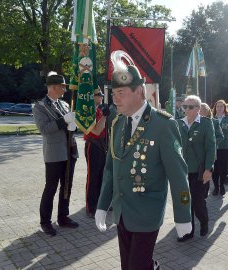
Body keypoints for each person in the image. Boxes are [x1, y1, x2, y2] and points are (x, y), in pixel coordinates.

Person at [94, 51, 192, 270]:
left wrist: (183, 216)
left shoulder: (163, 125)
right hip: (122, 212)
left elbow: (178, 175)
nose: (115, 98)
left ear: (139, 91)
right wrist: (102, 205)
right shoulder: (117, 124)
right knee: (128, 266)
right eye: (113, 93)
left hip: (147, 212)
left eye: (121, 92)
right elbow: (111, 169)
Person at [33, 71, 79, 236]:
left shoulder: (65, 105)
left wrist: (74, 125)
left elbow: (71, 124)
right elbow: (44, 129)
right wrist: (63, 121)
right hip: (54, 153)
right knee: (51, 188)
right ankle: (45, 222)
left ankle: (63, 217)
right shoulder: (40, 106)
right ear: (52, 87)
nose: (64, 90)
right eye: (62, 87)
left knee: (67, 185)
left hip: (70, 150)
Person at [176, 95, 216, 242]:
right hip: (182, 171)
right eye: (184, 107)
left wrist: (208, 169)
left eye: (190, 107)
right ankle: (188, 231)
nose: (186, 109)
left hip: (199, 171)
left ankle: (204, 221)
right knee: (185, 201)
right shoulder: (179, 123)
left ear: (198, 109)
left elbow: (211, 148)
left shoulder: (205, 123)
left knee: (198, 201)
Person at [84, 87, 110, 218]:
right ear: (91, 96)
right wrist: (105, 116)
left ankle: (101, 204)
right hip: (92, 145)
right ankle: (91, 207)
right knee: (93, 177)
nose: (100, 96)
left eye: (101, 94)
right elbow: (96, 131)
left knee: (102, 176)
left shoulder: (100, 109)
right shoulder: (87, 111)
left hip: (102, 145)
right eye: (97, 94)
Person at [200, 103, 224, 198]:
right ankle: (210, 189)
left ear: (206, 111)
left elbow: (220, 136)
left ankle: (219, 186)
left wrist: (211, 144)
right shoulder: (194, 122)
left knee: (213, 170)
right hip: (200, 154)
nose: (199, 112)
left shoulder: (214, 122)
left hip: (212, 151)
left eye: (201, 110)